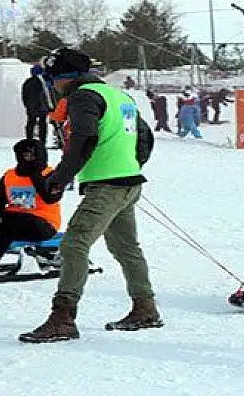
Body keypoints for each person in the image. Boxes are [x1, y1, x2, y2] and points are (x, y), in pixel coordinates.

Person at [18, 47, 161, 343]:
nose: (52, 86)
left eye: (53, 79)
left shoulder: (82, 97)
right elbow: (145, 137)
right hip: (127, 182)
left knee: (73, 245)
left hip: (108, 186)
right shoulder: (119, 96)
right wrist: (130, 166)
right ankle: (145, 308)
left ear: (63, 78)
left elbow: (84, 139)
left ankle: (63, 319)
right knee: (126, 248)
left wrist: (59, 178)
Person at [0, 139, 61, 273]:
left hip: (43, 225)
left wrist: (36, 176)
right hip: (11, 222)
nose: (27, 159)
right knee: (9, 219)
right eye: (24, 156)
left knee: (13, 220)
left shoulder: (51, 175)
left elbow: (51, 198)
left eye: (31, 156)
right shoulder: (9, 176)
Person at [22, 65, 51, 145]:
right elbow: (46, 95)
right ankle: (42, 141)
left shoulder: (28, 82)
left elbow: (24, 95)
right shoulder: (43, 82)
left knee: (30, 123)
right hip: (42, 107)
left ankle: (29, 139)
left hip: (31, 107)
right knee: (43, 124)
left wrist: (27, 105)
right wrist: (48, 106)